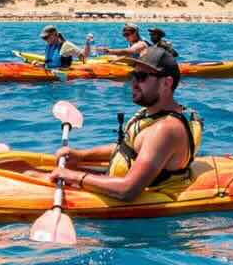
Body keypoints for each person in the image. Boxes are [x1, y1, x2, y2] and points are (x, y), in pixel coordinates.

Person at [50, 48, 203, 202]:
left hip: (136, 201)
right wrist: (82, 155)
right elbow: (129, 147)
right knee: (30, 171)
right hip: (118, 180)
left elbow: (127, 190)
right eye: (133, 75)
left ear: (166, 83)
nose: (133, 83)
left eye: (141, 77)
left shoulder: (165, 130)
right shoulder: (152, 113)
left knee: (36, 176)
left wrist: (74, 176)